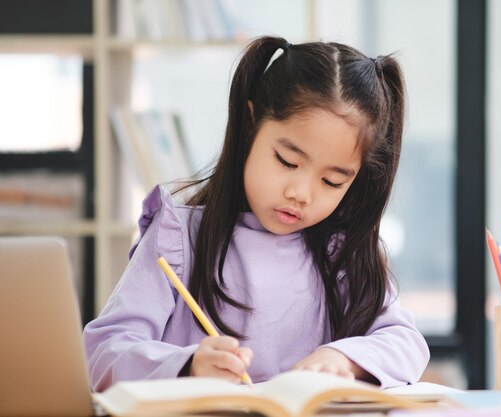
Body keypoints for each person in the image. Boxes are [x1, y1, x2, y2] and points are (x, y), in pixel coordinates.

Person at [83, 36, 430, 392]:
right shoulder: (179, 237)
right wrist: (187, 366)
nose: (301, 194)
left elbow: (406, 342)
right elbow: (104, 352)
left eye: (332, 181)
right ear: (251, 125)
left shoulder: (343, 253)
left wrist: (345, 360)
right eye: (287, 161)